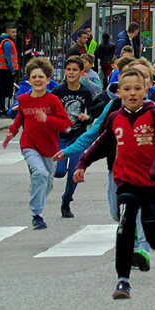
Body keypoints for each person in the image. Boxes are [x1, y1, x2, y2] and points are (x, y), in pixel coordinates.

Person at [74, 68, 155, 300]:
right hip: (126, 182)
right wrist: (83, 163)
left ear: (146, 90)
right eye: (127, 89)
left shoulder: (153, 114)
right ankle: (123, 280)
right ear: (119, 92)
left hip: (152, 185)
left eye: (137, 89)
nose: (132, 93)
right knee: (125, 223)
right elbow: (102, 143)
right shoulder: (115, 118)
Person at [3, 57, 72, 229]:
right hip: (29, 145)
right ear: (29, 80)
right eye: (34, 77)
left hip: (49, 148)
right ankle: (36, 215)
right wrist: (12, 132)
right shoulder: (24, 99)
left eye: (41, 77)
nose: (37, 80)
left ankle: (38, 197)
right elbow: (20, 117)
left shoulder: (53, 100)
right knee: (40, 173)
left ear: (48, 80)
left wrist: (47, 119)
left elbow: (66, 124)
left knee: (46, 184)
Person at [51, 56, 94, 219]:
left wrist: (86, 118)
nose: (71, 72)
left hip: (78, 138)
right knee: (60, 171)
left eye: (74, 70)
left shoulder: (86, 92)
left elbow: (92, 115)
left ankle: (66, 201)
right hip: (61, 136)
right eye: (68, 69)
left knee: (74, 172)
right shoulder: (58, 91)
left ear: (81, 72)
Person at [0, 23, 19, 116]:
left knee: (6, 89)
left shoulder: (7, 42)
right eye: (12, 32)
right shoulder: (7, 43)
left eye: (15, 32)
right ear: (8, 32)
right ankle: (5, 108)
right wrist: (12, 70)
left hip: (4, 69)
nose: (15, 34)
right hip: (7, 70)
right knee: (7, 90)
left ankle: (4, 108)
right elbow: (8, 58)